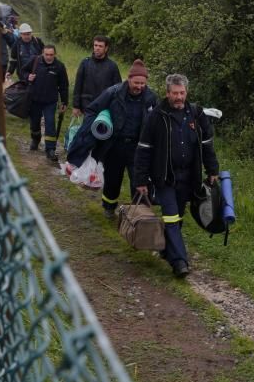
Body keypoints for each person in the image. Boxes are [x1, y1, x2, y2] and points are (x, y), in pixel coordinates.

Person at [134, 73, 219, 278]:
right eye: (175, 93)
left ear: (186, 92)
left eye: (182, 93)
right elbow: (144, 148)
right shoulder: (157, 116)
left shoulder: (196, 114)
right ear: (167, 93)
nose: (179, 97)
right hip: (165, 177)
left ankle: (165, 249)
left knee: (178, 217)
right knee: (171, 217)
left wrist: (213, 170)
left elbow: (207, 145)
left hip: (188, 177)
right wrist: (141, 179)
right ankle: (179, 261)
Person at [85, 59, 157, 219]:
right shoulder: (113, 93)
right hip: (115, 145)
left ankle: (139, 215)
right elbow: (92, 109)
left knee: (139, 182)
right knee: (112, 179)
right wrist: (89, 133)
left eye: (142, 83)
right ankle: (109, 207)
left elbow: (157, 122)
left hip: (138, 148)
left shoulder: (151, 98)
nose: (139, 86)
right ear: (129, 79)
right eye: (136, 82)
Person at [25, 44, 69, 162]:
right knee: (34, 123)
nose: (49, 57)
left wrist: (64, 102)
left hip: (50, 102)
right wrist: (27, 76)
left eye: (51, 55)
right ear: (42, 54)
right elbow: (23, 71)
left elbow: (64, 86)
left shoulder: (59, 67)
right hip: (34, 100)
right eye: (46, 54)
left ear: (55, 54)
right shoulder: (35, 61)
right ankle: (35, 139)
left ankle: (50, 149)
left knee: (50, 124)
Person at [72, 35, 121, 117]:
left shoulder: (112, 66)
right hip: (87, 105)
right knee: (87, 129)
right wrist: (76, 106)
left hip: (105, 108)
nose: (97, 48)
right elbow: (78, 85)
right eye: (95, 45)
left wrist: (116, 107)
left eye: (100, 46)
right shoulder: (85, 63)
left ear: (106, 48)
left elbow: (118, 88)